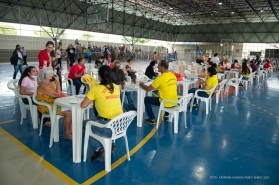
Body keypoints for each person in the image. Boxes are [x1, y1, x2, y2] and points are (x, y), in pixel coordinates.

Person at [81, 65, 123, 161]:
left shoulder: (96, 89)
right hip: (120, 126)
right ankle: (111, 144)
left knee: (86, 122)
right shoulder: (116, 87)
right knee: (101, 117)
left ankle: (98, 149)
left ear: (99, 76)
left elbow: (83, 105)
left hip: (108, 129)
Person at [36, 67, 72, 139]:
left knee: (72, 110)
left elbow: (59, 92)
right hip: (46, 107)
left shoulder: (50, 82)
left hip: (53, 103)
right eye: (51, 74)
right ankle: (67, 133)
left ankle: (70, 131)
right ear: (46, 76)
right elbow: (57, 94)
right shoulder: (43, 85)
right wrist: (58, 81)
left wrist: (67, 96)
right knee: (69, 113)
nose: (53, 75)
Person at [139, 60, 178, 124]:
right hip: (174, 101)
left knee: (147, 99)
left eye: (159, 66)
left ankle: (152, 119)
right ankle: (166, 115)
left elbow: (148, 89)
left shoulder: (160, 78)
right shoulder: (173, 76)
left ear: (162, 68)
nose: (157, 68)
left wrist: (142, 84)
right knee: (166, 94)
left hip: (165, 103)